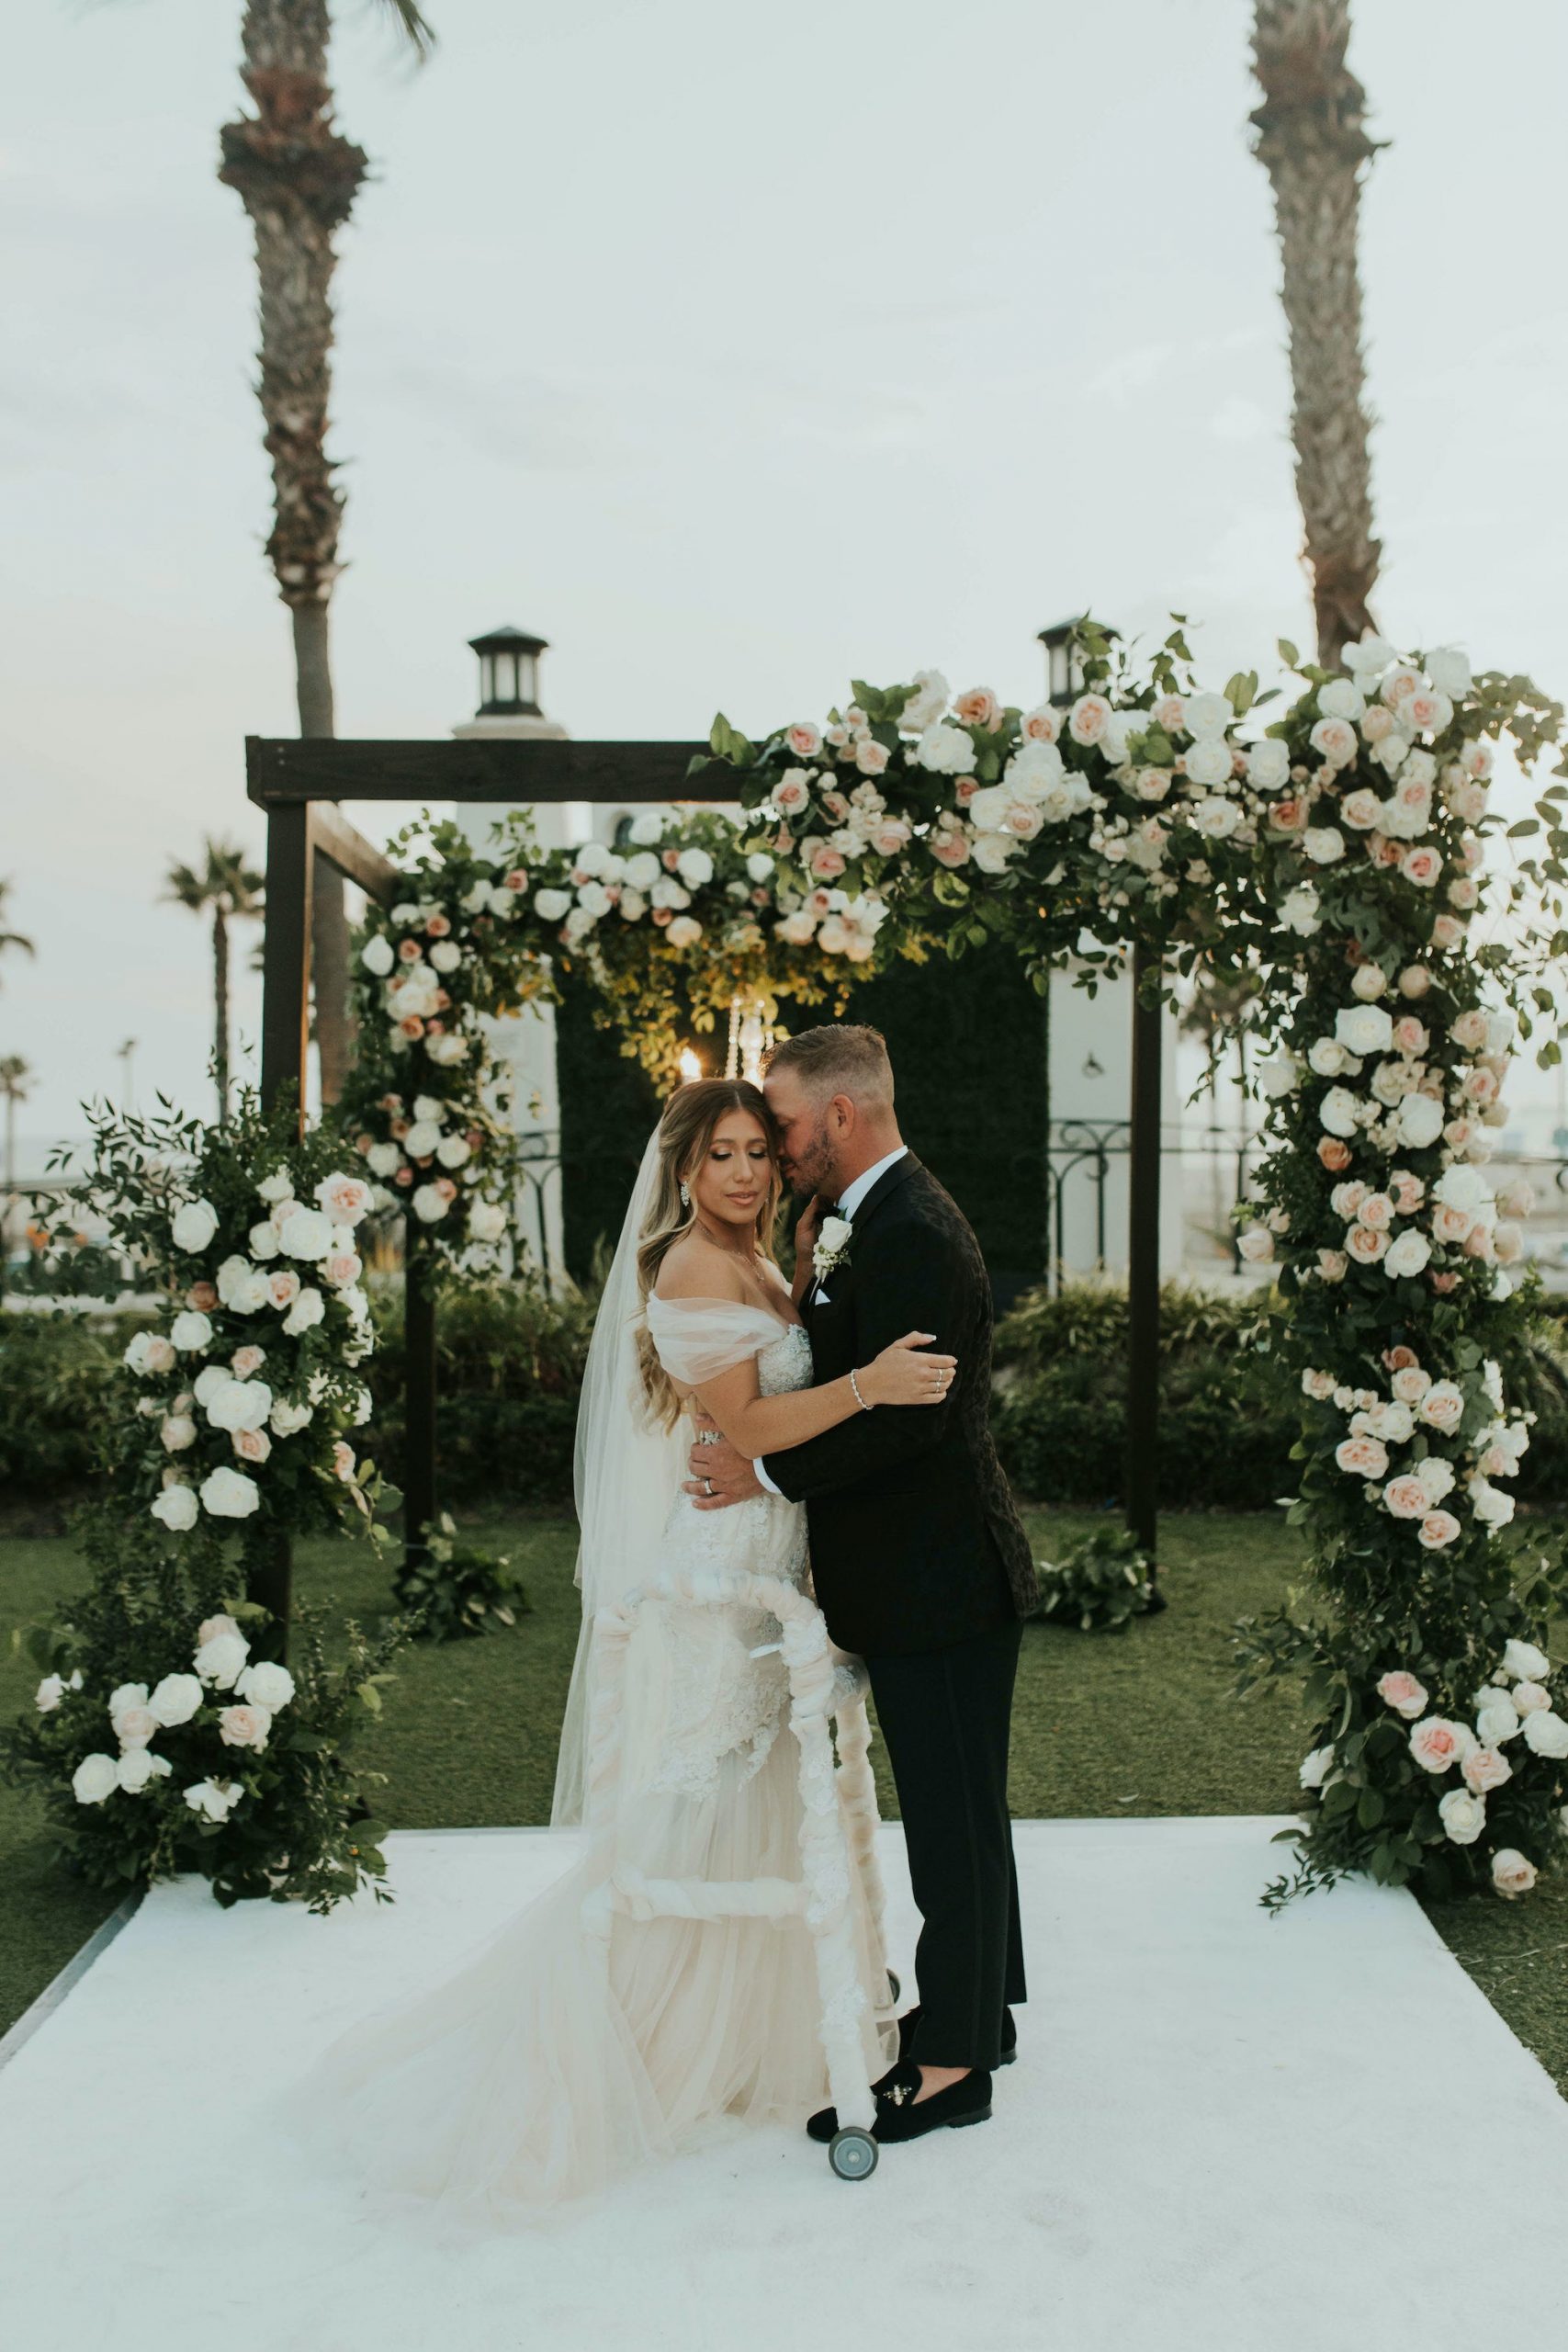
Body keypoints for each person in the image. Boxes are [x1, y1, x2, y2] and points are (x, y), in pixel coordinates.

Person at [290, 1078, 945, 2214]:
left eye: (756, 1151)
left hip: (777, 1549)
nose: (743, 1171)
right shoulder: (694, 1267)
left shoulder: (766, 1255)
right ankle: (639, 2032)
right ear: (684, 1170)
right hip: (728, 1559)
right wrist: (868, 1384)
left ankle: (764, 2028)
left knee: (768, 1777)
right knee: (706, 1773)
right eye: (721, 1154)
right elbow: (745, 1424)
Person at [687, 1024, 1039, 2147]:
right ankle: (986, 2015)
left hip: (938, 1578)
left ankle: (950, 2071)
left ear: (840, 1114)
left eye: (783, 1127)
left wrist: (766, 1464)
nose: (777, 1150)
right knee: (966, 1809)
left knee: (949, 1822)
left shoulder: (913, 1231)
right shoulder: (865, 1217)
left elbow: (905, 1422)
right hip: (928, 1573)